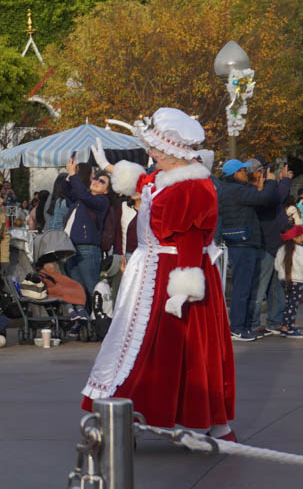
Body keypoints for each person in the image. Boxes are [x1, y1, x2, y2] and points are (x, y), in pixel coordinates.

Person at [83, 109, 236, 441]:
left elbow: (192, 239)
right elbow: (143, 182)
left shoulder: (194, 187)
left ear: (173, 153)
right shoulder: (167, 179)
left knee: (173, 347)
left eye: (156, 149)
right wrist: (110, 167)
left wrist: (183, 290)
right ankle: (133, 408)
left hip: (176, 272)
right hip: (153, 272)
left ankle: (182, 416)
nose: (150, 154)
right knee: (143, 342)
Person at [218, 159, 279, 341]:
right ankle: (237, 328)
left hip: (240, 242)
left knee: (244, 288)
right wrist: (269, 181)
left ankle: (242, 327)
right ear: (236, 174)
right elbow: (263, 198)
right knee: (242, 289)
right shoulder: (237, 190)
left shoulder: (227, 189)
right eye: (244, 171)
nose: (247, 173)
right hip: (243, 243)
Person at [62, 160, 110, 313]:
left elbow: (83, 195)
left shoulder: (102, 201)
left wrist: (73, 174)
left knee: (92, 288)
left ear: (106, 191)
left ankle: (100, 321)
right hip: (71, 247)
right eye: (95, 178)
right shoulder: (82, 199)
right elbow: (66, 189)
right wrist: (71, 175)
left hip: (87, 249)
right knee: (77, 290)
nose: (96, 181)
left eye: (102, 182)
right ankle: (85, 322)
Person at [253, 162, 293, 337]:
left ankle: (275, 321)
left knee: (277, 286)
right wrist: (283, 182)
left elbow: (279, 197)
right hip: (265, 244)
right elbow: (276, 197)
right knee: (260, 288)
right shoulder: (256, 193)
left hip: (276, 244)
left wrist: (282, 181)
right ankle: (253, 323)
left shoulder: (269, 192)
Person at [274, 224, 303, 338]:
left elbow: (276, 266)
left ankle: (285, 327)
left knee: (287, 304)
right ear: (295, 237)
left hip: (285, 280)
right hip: (297, 281)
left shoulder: (281, 250)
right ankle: (290, 328)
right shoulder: (300, 250)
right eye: (300, 236)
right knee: (293, 305)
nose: (302, 238)